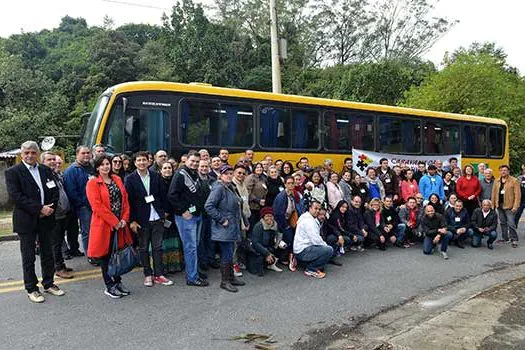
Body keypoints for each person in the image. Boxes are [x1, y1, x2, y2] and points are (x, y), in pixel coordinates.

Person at [5, 141, 63, 303]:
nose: (30, 155)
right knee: (29, 256)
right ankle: (31, 288)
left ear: (37, 154)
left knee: (47, 253)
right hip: (27, 220)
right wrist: (39, 209)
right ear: (21, 155)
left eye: (33, 152)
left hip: (47, 219)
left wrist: (50, 208)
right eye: (27, 153)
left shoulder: (45, 170)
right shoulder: (13, 172)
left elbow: (54, 189)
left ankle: (49, 283)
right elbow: (16, 196)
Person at [86, 155, 133, 299]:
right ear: (97, 167)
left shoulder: (117, 179)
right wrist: (115, 222)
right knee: (106, 256)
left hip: (120, 224)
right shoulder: (93, 183)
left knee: (117, 254)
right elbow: (97, 206)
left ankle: (118, 281)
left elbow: (125, 200)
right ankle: (109, 285)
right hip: (104, 225)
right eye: (103, 164)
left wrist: (124, 218)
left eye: (108, 164)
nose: (106, 166)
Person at [125, 152, 173, 287]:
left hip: (157, 216)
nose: (141, 162)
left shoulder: (156, 176)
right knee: (144, 248)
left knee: (158, 247)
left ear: (148, 162)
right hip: (141, 219)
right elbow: (129, 202)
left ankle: (159, 274)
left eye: (144, 160)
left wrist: (165, 213)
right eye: (139, 160)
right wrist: (132, 220)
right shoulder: (130, 179)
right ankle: (147, 274)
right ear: (135, 163)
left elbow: (163, 196)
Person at [168, 151, 209, 287]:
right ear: (186, 160)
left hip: (197, 214)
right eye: (192, 161)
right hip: (186, 217)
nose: (195, 163)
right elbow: (172, 195)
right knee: (190, 247)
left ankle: (194, 270)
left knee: (194, 246)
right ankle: (192, 277)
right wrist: (183, 211)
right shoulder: (180, 174)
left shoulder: (194, 173)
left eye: (197, 162)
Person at [204, 165, 247, 292]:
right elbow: (209, 206)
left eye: (230, 173)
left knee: (230, 252)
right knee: (227, 254)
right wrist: (222, 219)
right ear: (220, 175)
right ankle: (225, 281)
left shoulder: (230, 187)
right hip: (225, 227)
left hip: (233, 225)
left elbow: (238, 205)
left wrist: (245, 220)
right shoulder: (218, 188)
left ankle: (231, 277)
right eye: (226, 173)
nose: (229, 175)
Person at [41, 151, 73, 279]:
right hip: (53, 215)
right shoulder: (43, 175)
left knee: (59, 241)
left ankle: (61, 264)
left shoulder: (55, 174)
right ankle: (58, 268)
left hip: (62, 214)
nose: (53, 162)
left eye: (54, 159)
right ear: (43, 162)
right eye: (49, 160)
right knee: (55, 242)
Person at [64, 145, 94, 257]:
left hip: (95, 205)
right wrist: (84, 203)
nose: (86, 155)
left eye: (88, 153)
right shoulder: (71, 170)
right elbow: (71, 192)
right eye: (83, 153)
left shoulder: (92, 168)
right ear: (77, 155)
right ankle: (90, 255)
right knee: (87, 232)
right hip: (83, 207)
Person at [293, 201, 334, 279]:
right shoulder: (309, 221)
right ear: (310, 208)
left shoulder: (305, 216)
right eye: (315, 208)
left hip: (300, 249)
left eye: (319, 209)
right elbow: (316, 240)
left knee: (324, 255)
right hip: (303, 250)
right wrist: (326, 246)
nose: (317, 211)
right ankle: (311, 269)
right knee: (329, 250)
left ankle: (303, 263)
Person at [159, 161, 183, 274]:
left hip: (174, 215)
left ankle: (174, 265)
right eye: (165, 168)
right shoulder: (157, 182)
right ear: (160, 170)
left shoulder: (175, 181)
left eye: (169, 168)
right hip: (162, 215)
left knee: (174, 240)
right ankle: (163, 267)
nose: (167, 170)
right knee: (162, 241)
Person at [249, 207, 285, 276]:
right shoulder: (259, 226)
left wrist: (278, 243)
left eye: (271, 216)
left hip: (269, 245)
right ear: (263, 217)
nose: (269, 218)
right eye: (267, 216)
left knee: (282, 247)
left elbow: (277, 235)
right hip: (259, 247)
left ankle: (272, 264)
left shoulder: (274, 224)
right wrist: (267, 253)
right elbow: (255, 243)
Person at [492, 165, 521, 247]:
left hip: (509, 206)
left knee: (511, 223)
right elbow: (493, 194)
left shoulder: (514, 181)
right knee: (502, 222)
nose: (503, 172)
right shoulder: (497, 181)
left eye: (505, 170)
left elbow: (518, 195)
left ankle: (514, 239)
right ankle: (505, 238)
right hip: (499, 205)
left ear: (508, 171)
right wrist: (493, 205)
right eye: (501, 170)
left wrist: (515, 206)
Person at [197, 159, 217, 272]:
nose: (204, 168)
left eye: (206, 166)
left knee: (211, 237)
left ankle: (211, 259)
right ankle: (203, 261)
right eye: (202, 166)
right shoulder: (195, 180)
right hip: (200, 213)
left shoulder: (213, 180)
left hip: (211, 214)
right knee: (201, 238)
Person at [245, 162, 268, 229]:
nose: (259, 169)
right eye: (257, 167)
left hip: (261, 206)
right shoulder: (250, 178)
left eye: (261, 167)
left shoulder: (262, 178)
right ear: (254, 168)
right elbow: (247, 192)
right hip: (252, 206)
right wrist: (257, 200)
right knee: (253, 225)